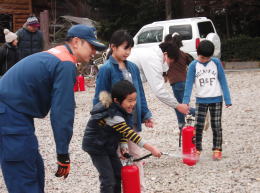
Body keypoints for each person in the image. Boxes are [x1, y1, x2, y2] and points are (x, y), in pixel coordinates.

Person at [0, 24, 106, 193]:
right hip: (8, 113)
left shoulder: (57, 54)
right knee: (22, 172)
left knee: (33, 166)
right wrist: (62, 154)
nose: (94, 52)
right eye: (92, 46)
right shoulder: (65, 63)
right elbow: (62, 111)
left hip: (14, 112)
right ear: (76, 42)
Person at [93, 30, 153, 192]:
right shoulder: (106, 69)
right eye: (124, 48)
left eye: (130, 49)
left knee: (137, 156)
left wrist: (145, 114)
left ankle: (138, 189)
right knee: (118, 159)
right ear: (113, 47)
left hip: (132, 121)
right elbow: (100, 97)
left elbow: (139, 92)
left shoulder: (132, 67)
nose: (127, 52)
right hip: (114, 124)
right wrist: (101, 121)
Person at [82, 80, 161, 193]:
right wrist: (152, 149)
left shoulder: (122, 110)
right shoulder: (112, 114)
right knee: (108, 179)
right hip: (97, 147)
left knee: (119, 174)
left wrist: (123, 146)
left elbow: (122, 131)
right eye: (129, 100)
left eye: (134, 100)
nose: (133, 104)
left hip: (108, 145)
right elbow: (131, 134)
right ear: (116, 100)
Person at [182, 40, 232, 161]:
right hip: (201, 100)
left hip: (216, 99)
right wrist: (185, 101)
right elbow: (188, 84)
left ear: (211, 56)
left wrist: (227, 98)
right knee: (198, 126)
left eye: (206, 58)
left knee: (216, 125)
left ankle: (217, 149)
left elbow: (222, 80)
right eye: (201, 57)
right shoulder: (193, 65)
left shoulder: (216, 63)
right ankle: (197, 149)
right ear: (197, 54)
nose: (202, 59)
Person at [127, 41, 190, 119]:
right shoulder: (153, 59)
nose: (168, 65)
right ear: (165, 54)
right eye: (169, 62)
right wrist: (177, 106)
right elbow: (159, 91)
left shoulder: (151, 52)